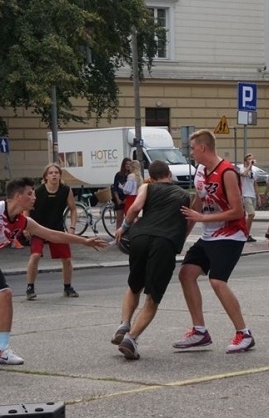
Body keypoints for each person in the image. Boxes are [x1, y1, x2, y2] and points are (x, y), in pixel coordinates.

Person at [0, 177, 107, 365]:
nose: (34, 197)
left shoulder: (23, 221)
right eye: (30, 194)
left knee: (5, 295)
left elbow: (52, 234)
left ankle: (1, 350)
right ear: (18, 196)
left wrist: (84, 241)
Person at [174, 130, 255, 354]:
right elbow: (197, 205)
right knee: (186, 274)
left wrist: (202, 218)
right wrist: (182, 237)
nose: (190, 153)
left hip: (231, 234)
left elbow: (237, 211)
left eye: (192, 148)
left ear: (203, 148)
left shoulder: (227, 172)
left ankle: (244, 333)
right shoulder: (200, 171)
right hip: (209, 235)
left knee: (217, 281)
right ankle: (200, 331)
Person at [111, 160, 192, 360]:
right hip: (165, 242)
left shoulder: (147, 187)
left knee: (134, 285)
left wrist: (123, 227)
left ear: (152, 177)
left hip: (140, 237)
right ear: (169, 174)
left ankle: (124, 323)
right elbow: (186, 222)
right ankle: (130, 339)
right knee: (153, 297)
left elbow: (135, 208)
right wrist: (179, 242)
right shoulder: (184, 195)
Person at [25, 163, 79, 299]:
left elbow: (73, 209)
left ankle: (68, 287)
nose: (54, 175)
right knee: (35, 255)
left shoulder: (65, 190)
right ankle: (30, 288)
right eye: (51, 173)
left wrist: (72, 227)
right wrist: (26, 226)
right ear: (46, 177)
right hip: (38, 228)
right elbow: (26, 208)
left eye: (56, 172)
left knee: (67, 259)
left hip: (56, 228)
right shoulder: (38, 191)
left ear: (60, 175)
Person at [240, 153, 260, 242]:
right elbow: (244, 174)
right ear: (245, 161)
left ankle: (245, 233)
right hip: (245, 194)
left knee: (248, 216)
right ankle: (246, 233)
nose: (251, 160)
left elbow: (255, 184)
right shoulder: (243, 169)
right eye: (249, 159)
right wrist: (249, 166)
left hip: (252, 195)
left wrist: (258, 196)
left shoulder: (254, 172)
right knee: (251, 214)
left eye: (252, 159)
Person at [112, 158, 130, 229]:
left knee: (128, 219)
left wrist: (126, 199)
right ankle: (117, 233)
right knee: (119, 219)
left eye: (129, 164)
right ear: (123, 165)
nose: (128, 165)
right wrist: (118, 199)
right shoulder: (118, 175)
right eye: (126, 164)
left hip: (127, 197)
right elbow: (115, 188)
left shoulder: (131, 175)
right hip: (119, 197)